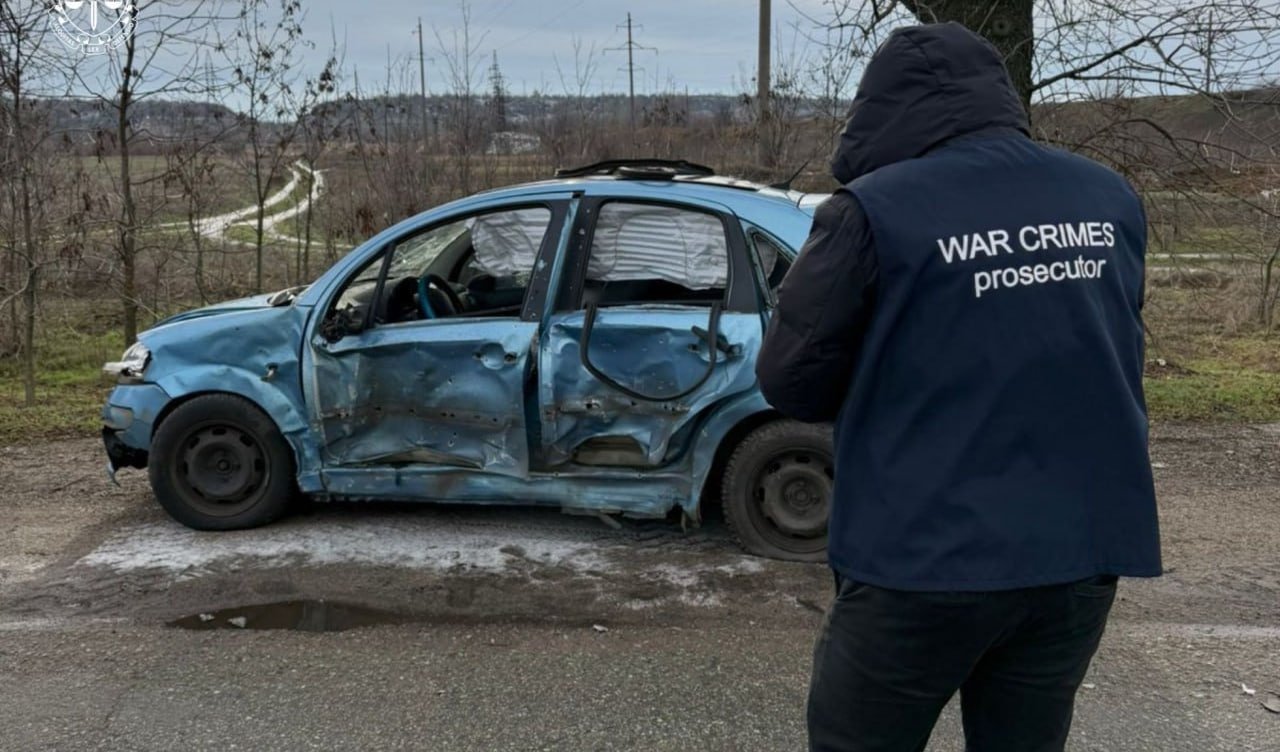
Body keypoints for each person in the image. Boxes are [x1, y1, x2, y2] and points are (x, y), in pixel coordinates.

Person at [755, 22, 1163, 752]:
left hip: (924, 558)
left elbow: (791, 383)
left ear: (880, 109)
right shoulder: (1108, 198)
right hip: (1080, 553)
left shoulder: (870, 211)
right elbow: (1110, 344)